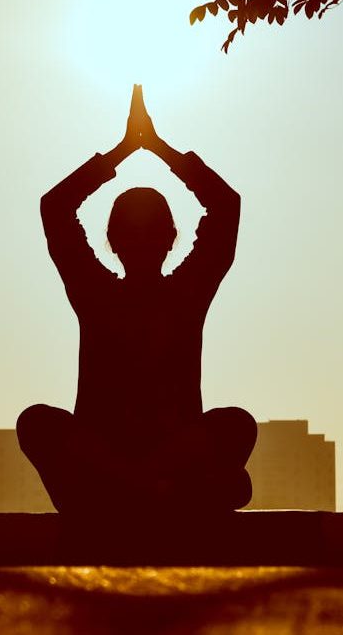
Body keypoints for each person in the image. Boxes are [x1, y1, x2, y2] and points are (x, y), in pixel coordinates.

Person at [18, 86, 256, 514]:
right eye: (135, 233)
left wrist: (141, 149)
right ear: (115, 241)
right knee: (36, 422)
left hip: (135, 469)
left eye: (150, 233)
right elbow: (54, 208)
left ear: (167, 239)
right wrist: (139, 149)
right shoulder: (104, 293)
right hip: (116, 464)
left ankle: (139, 487)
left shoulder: (175, 293)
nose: (143, 242)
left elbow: (226, 206)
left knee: (237, 424)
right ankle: (152, 489)